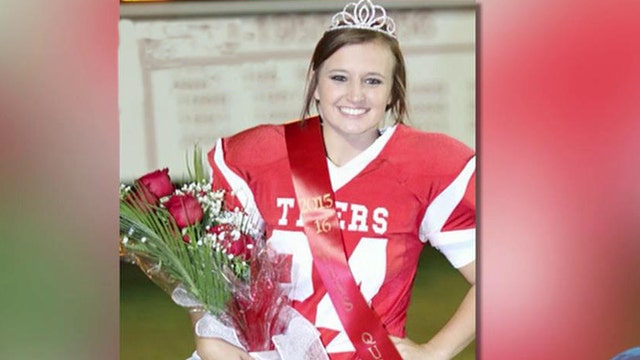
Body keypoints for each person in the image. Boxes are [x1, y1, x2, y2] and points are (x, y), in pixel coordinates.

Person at [190, 0, 476, 359]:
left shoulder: (425, 167)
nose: (355, 95)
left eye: (373, 81)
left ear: (393, 90)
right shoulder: (259, 157)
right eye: (339, 77)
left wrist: (436, 351)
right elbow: (206, 280)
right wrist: (212, 338)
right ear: (315, 81)